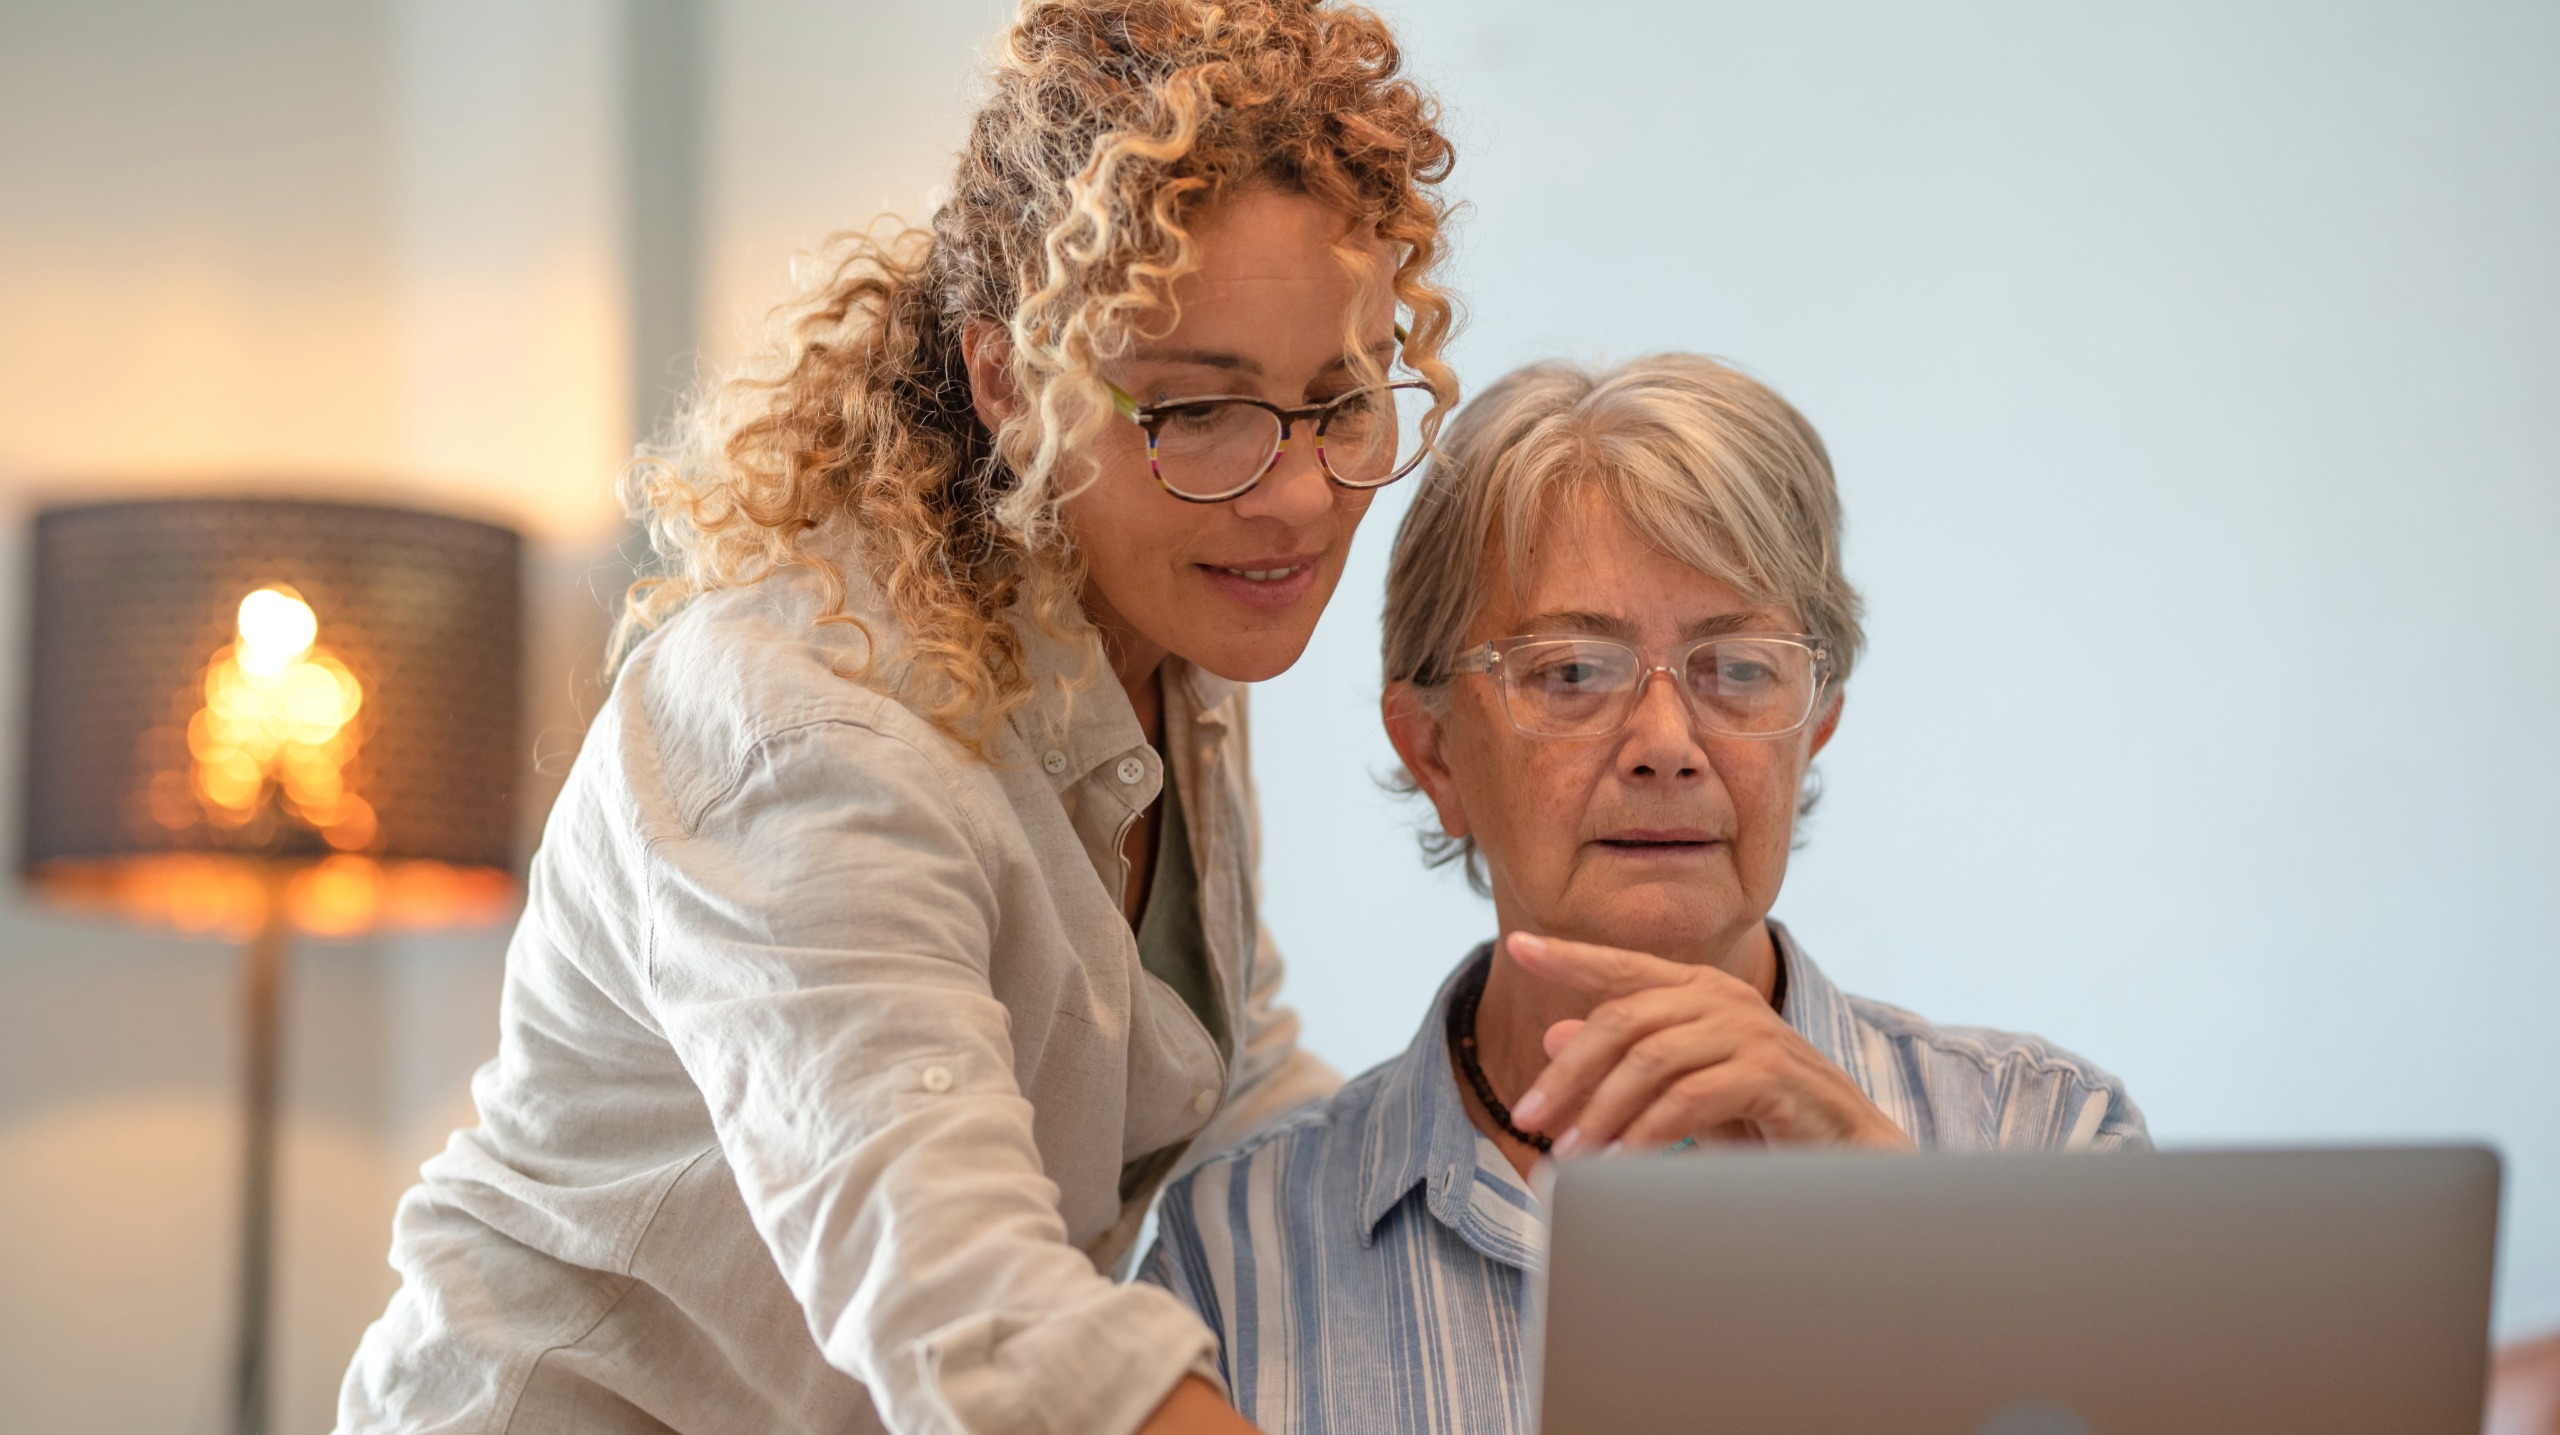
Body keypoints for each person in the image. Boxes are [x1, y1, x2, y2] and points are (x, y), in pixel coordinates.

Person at [337, 4, 1457, 1433]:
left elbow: (1234, 1090)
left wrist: (1517, 1129)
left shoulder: (1161, 632)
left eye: (1340, 397)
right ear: (1008, 379)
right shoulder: (802, 734)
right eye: (1197, 409)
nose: (1297, 494)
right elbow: (957, 1293)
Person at [1141, 355, 2146, 1433]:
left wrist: (1882, 1214)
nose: (1666, 746)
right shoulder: (1235, 1250)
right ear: (1434, 752)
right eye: (1571, 671)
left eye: (1738, 669)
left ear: (1813, 730)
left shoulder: (2042, 1139)